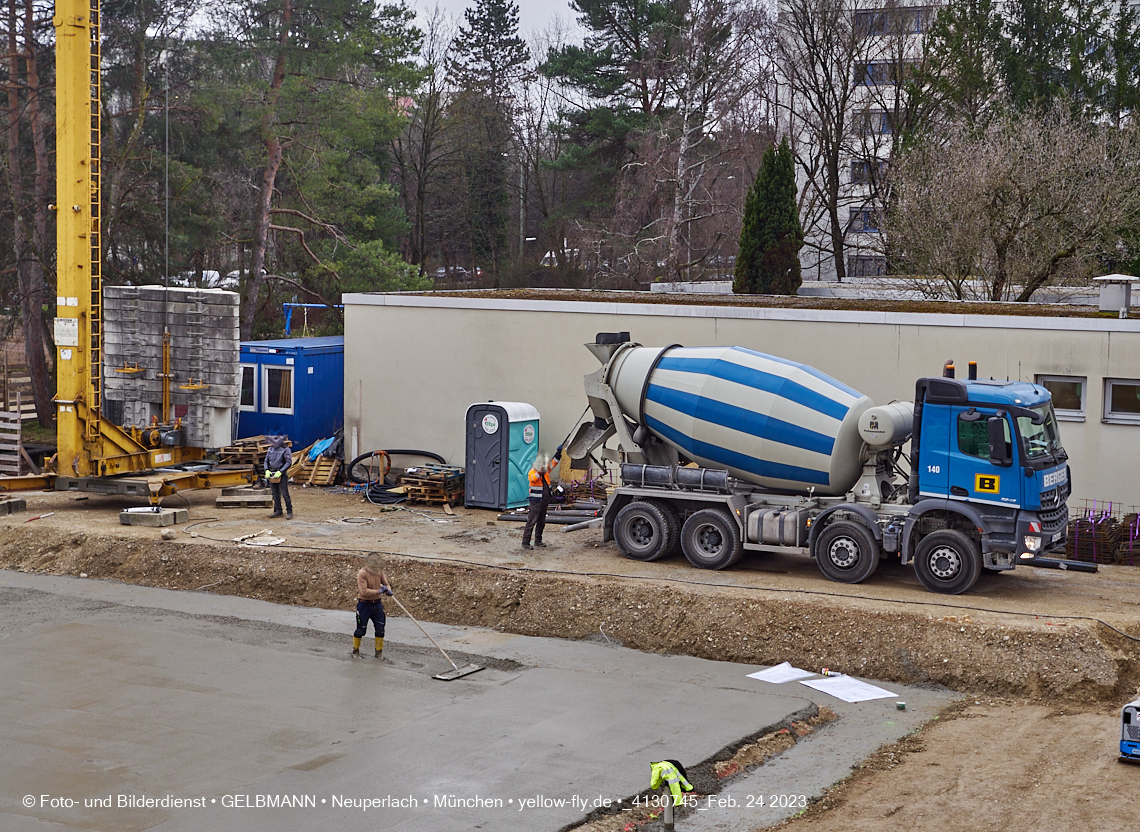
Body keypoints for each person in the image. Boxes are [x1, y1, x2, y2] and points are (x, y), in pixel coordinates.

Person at [522, 444, 562, 550]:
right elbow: (534, 479)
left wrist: (558, 454)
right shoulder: (532, 472)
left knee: (541, 521)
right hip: (535, 501)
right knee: (531, 521)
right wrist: (540, 472)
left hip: (544, 500)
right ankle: (525, 542)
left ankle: (538, 540)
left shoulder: (545, 472)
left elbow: (553, 464)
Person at [353, 554, 392, 659]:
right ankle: (355, 652)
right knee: (361, 630)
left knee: (380, 629)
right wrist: (379, 591)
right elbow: (364, 591)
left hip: (377, 604)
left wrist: (388, 589)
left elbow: (386, 583)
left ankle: (378, 654)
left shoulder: (379, 571)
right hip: (364, 604)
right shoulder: (362, 573)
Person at [264, 434, 293, 519]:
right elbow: (266, 460)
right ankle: (278, 510)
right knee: (275, 493)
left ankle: (289, 512)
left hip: (281, 474)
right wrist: (266, 470)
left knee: (285, 494)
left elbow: (288, 462)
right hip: (272, 474)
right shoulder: (270, 449)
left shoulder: (285, 449)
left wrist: (281, 471)